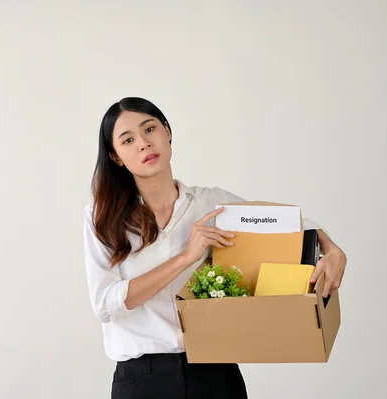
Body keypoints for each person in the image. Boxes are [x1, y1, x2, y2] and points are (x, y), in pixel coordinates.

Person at [82, 97, 347, 399]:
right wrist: (185, 258)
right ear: (116, 157)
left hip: (214, 372)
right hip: (142, 380)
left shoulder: (212, 204)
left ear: (167, 132)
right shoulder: (102, 217)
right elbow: (105, 305)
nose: (143, 143)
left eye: (150, 129)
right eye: (127, 140)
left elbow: (286, 224)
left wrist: (332, 248)